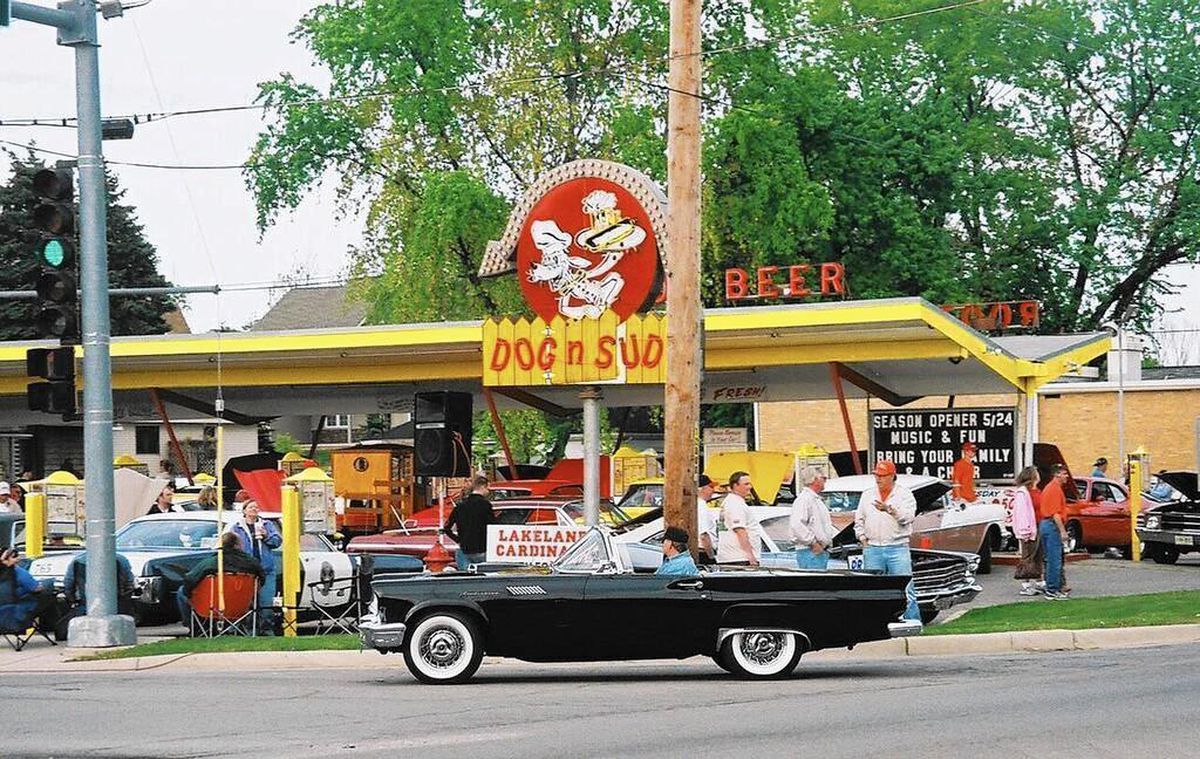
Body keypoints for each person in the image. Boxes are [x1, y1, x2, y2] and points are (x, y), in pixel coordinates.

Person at [854, 459, 920, 622]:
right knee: (874, 588)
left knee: (905, 587)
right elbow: (859, 520)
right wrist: (862, 539)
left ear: (892, 476)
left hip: (897, 547)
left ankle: (912, 621)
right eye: (877, 475)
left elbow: (908, 517)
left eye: (882, 476)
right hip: (873, 548)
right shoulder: (868, 494)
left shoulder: (904, 494)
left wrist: (890, 510)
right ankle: (876, 622)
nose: (878, 479)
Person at [175, 532, 267, 631]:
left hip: (211, 606)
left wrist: (188, 592)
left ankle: (196, 628)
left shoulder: (212, 563)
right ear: (238, 545)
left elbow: (189, 580)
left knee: (181, 592)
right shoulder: (252, 563)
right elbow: (261, 580)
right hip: (241, 606)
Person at [225, 501, 282, 631]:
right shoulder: (236, 527)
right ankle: (247, 630)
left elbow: (277, 542)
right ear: (244, 510)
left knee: (266, 602)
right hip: (245, 570)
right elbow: (230, 545)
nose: (254, 509)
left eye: (256, 507)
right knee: (245, 602)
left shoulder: (266, 524)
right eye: (251, 507)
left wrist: (266, 535)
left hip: (265, 569)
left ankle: (266, 630)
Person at [58, 550, 137, 640]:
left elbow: (68, 583)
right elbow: (129, 582)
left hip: (85, 605)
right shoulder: (120, 559)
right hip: (116, 604)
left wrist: (71, 600)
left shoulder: (77, 560)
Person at [443, 475, 495, 570]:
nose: (489, 491)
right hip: (482, 548)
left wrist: (458, 540)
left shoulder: (459, 506)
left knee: (465, 581)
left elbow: (446, 528)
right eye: (488, 488)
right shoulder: (485, 505)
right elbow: (493, 526)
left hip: (464, 549)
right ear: (482, 487)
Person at [0, 548, 54, 635]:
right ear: (5, 560)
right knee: (48, 586)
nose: (18, 558)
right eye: (14, 557)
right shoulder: (17, 572)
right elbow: (35, 588)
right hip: (15, 612)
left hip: (4, 612)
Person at [790, 467, 834, 570]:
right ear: (815, 480)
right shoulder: (804, 499)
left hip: (819, 551)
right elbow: (797, 525)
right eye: (823, 478)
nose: (825, 481)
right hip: (809, 551)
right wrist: (813, 543)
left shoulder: (815, 499)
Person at [1010, 466, 1044, 597]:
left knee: (1038, 555)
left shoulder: (1037, 491)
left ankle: (1039, 581)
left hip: (1039, 526)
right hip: (1029, 528)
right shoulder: (1022, 493)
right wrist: (1025, 531)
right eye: (1036, 473)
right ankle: (1026, 585)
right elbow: (1022, 513)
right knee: (1028, 556)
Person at [1039, 464, 1071, 599]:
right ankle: (1052, 590)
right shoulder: (1054, 489)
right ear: (1057, 474)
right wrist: (1063, 531)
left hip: (1046, 525)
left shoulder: (1051, 488)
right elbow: (1055, 514)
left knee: (1050, 559)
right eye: (1064, 474)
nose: (1067, 476)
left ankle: (1052, 587)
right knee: (1054, 559)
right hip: (1052, 526)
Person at [718, 471, 761, 566]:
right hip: (739, 558)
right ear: (735, 485)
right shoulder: (735, 504)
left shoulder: (731, 502)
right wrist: (750, 556)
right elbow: (740, 530)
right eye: (746, 484)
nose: (750, 487)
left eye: (750, 484)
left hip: (732, 557)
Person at [696, 474, 718, 564]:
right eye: (711, 487)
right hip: (703, 552)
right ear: (701, 489)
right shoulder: (701, 507)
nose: (713, 490)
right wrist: (711, 557)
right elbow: (704, 535)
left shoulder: (698, 505)